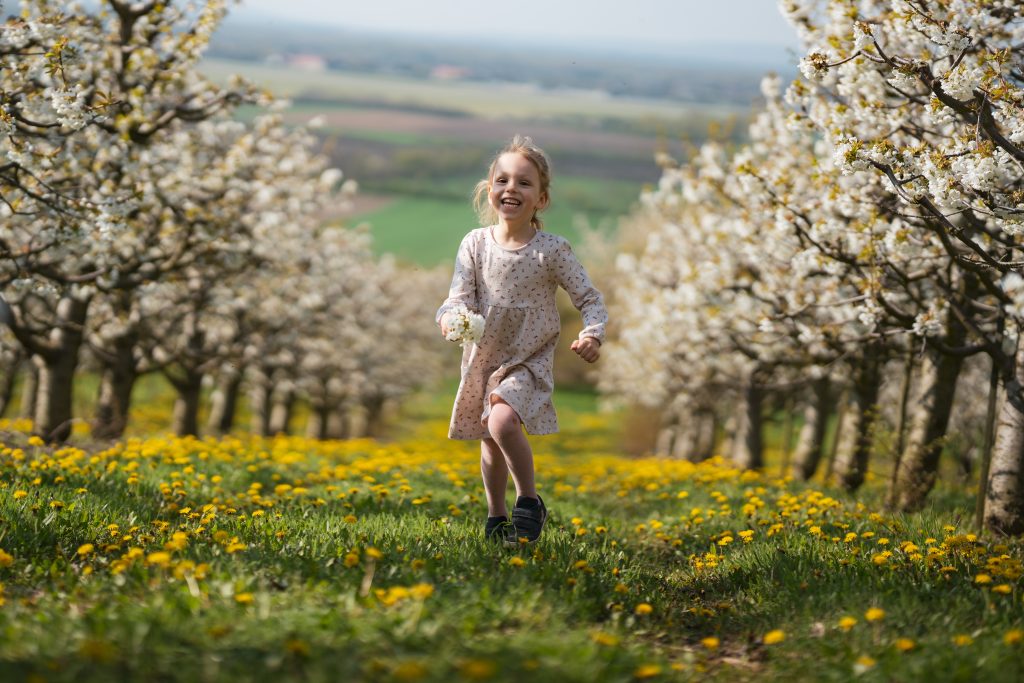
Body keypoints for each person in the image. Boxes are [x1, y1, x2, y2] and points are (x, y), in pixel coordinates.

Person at [436, 135, 608, 545]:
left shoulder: (551, 250)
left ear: (541, 199)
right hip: (483, 356)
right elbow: (456, 299)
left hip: (529, 358)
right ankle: (497, 518)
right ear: (489, 188)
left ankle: (529, 502)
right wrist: (450, 320)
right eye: (502, 180)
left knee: (501, 420)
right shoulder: (474, 244)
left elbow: (590, 298)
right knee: (490, 439)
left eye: (524, 183)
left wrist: (592, 334)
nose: (511, 188)